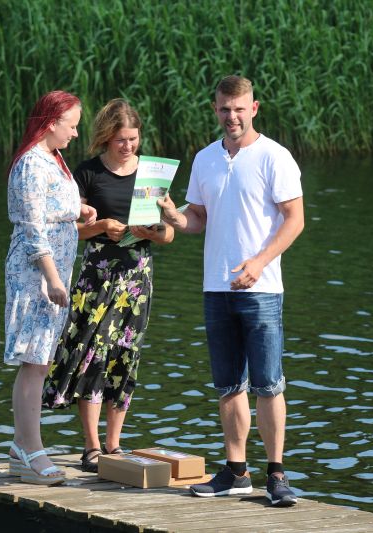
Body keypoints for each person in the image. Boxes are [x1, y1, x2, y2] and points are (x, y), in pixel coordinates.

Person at [158, 75, 304, 506]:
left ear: (254, 108)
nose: (232, 116)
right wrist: (172, 216)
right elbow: (198, 218)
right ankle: (236, 472)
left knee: (269, 385)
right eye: (225, 109)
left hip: (262, 289)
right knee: (228, 385)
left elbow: (295, 219)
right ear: (215, 108)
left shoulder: (275, 156)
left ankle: (276, 475)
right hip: (216, 287)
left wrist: (259, 263)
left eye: (239, 109)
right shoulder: (204, 158)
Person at [42, 98, 174, 472]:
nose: (128, 146)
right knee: (92, 354)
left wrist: (155, 231)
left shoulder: (151, 175)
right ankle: (92, 446)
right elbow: (66, 228)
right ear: (106, 137)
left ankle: (114, 445)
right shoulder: (87, 173)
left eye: (133, 139)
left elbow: (169, 234)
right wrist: (99, 227)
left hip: (137, 277)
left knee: (125, 355)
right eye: (120, 140)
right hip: (97, 275)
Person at [4, 90, 97, 485]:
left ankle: (22, 448)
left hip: (53, 272)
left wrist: (79, 210)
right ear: (51, 122)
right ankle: (29, 449)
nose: (75, 133)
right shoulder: (31, 163)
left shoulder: (53, 159)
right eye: (71, 126)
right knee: (34, 361)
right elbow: (32, 229)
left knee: (41, 360)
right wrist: (53, 279)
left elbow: (51, 210)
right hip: (36, 276)